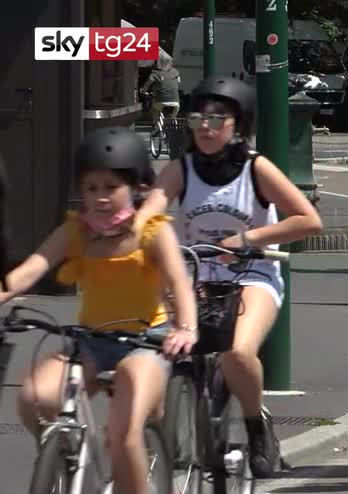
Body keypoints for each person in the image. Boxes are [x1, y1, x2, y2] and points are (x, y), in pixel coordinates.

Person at [134, 75, 323, 477]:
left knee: (238, 352)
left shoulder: (256, 169)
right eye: (198, 117)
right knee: (156, 352)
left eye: (218, 118)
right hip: (194, 276)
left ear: (238, 125)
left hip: (252, 274)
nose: (205, 126)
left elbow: (309, 220)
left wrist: (248, 238)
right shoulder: (180, 169)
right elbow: (148, 215)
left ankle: (256, 424)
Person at [0, 127, 198, 494]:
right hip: (91, 341)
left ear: (136, 188)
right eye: (91, 188)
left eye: (111, 187)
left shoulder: (153, 233)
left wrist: (186, 328)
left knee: (122, 436)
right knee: (34, 398)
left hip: (146, 343)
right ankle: (68, 456)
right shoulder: (76, 231)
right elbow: (28, 272)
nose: (100, 197)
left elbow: (179, 283)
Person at [141, 53, 181, 127]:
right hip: (175, 102)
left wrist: (143, 91)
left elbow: (147, 84)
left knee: (154, 109)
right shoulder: (176, 72)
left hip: (160, 101)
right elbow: (178, 81)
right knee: (174, 113)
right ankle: (173, 120)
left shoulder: (155, 73)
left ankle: (156, 126)